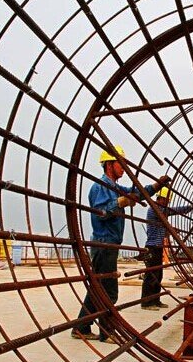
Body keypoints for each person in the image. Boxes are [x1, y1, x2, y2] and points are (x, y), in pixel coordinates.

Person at [71, 145, 169, 342]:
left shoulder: (114, 187)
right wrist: (122, 202)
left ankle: (81, 326)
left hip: (109, 245)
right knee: (109, 290)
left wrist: (156, 186)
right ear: (109, 164)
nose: (124, 168)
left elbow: (136, 193)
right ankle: (106, 332)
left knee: (98, 288)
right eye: (120, 164)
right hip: (103, 244)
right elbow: (102, 212)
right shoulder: (100, 187)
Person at [141, 187, 193, 310]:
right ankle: (146, 303)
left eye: (168, 201)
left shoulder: (161, 212)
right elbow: (173, 211)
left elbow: (164, 224)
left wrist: (170, 230)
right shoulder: (154, 210)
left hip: (158, 247)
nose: (167, 204)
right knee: (151, 275)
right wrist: (190, 207)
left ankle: (155, 300)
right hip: (152, 247)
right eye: (165, 201)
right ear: (159, 199)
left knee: (158, 275)